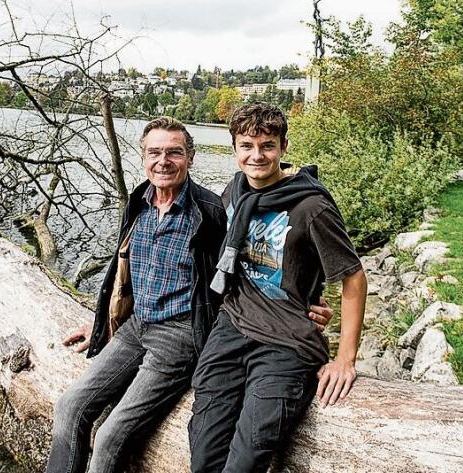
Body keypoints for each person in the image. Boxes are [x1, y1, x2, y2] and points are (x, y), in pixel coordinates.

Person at [45, 116, 336, 473]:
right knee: (70, 406)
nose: (163, 161)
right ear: (142, 156)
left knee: (109, 435)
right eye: (154, 152)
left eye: (174, 153)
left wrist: (307, 301)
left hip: (180, 336)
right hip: (136, 326)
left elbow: (250, 267)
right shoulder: (139, 201)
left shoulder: (212, 212)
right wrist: (101, 323)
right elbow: (125, 273)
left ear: (190, 157)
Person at [188, 103, 368, 473]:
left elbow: (353, 276)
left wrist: (345, 360)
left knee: (246, 459)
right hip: (233, 327)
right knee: (203, 454)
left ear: (283, 147)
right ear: (234, 149)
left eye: (267, 145)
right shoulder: (234, 190)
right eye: (247, 146)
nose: (257, 156)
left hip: (286, 343)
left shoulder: (311, 206)